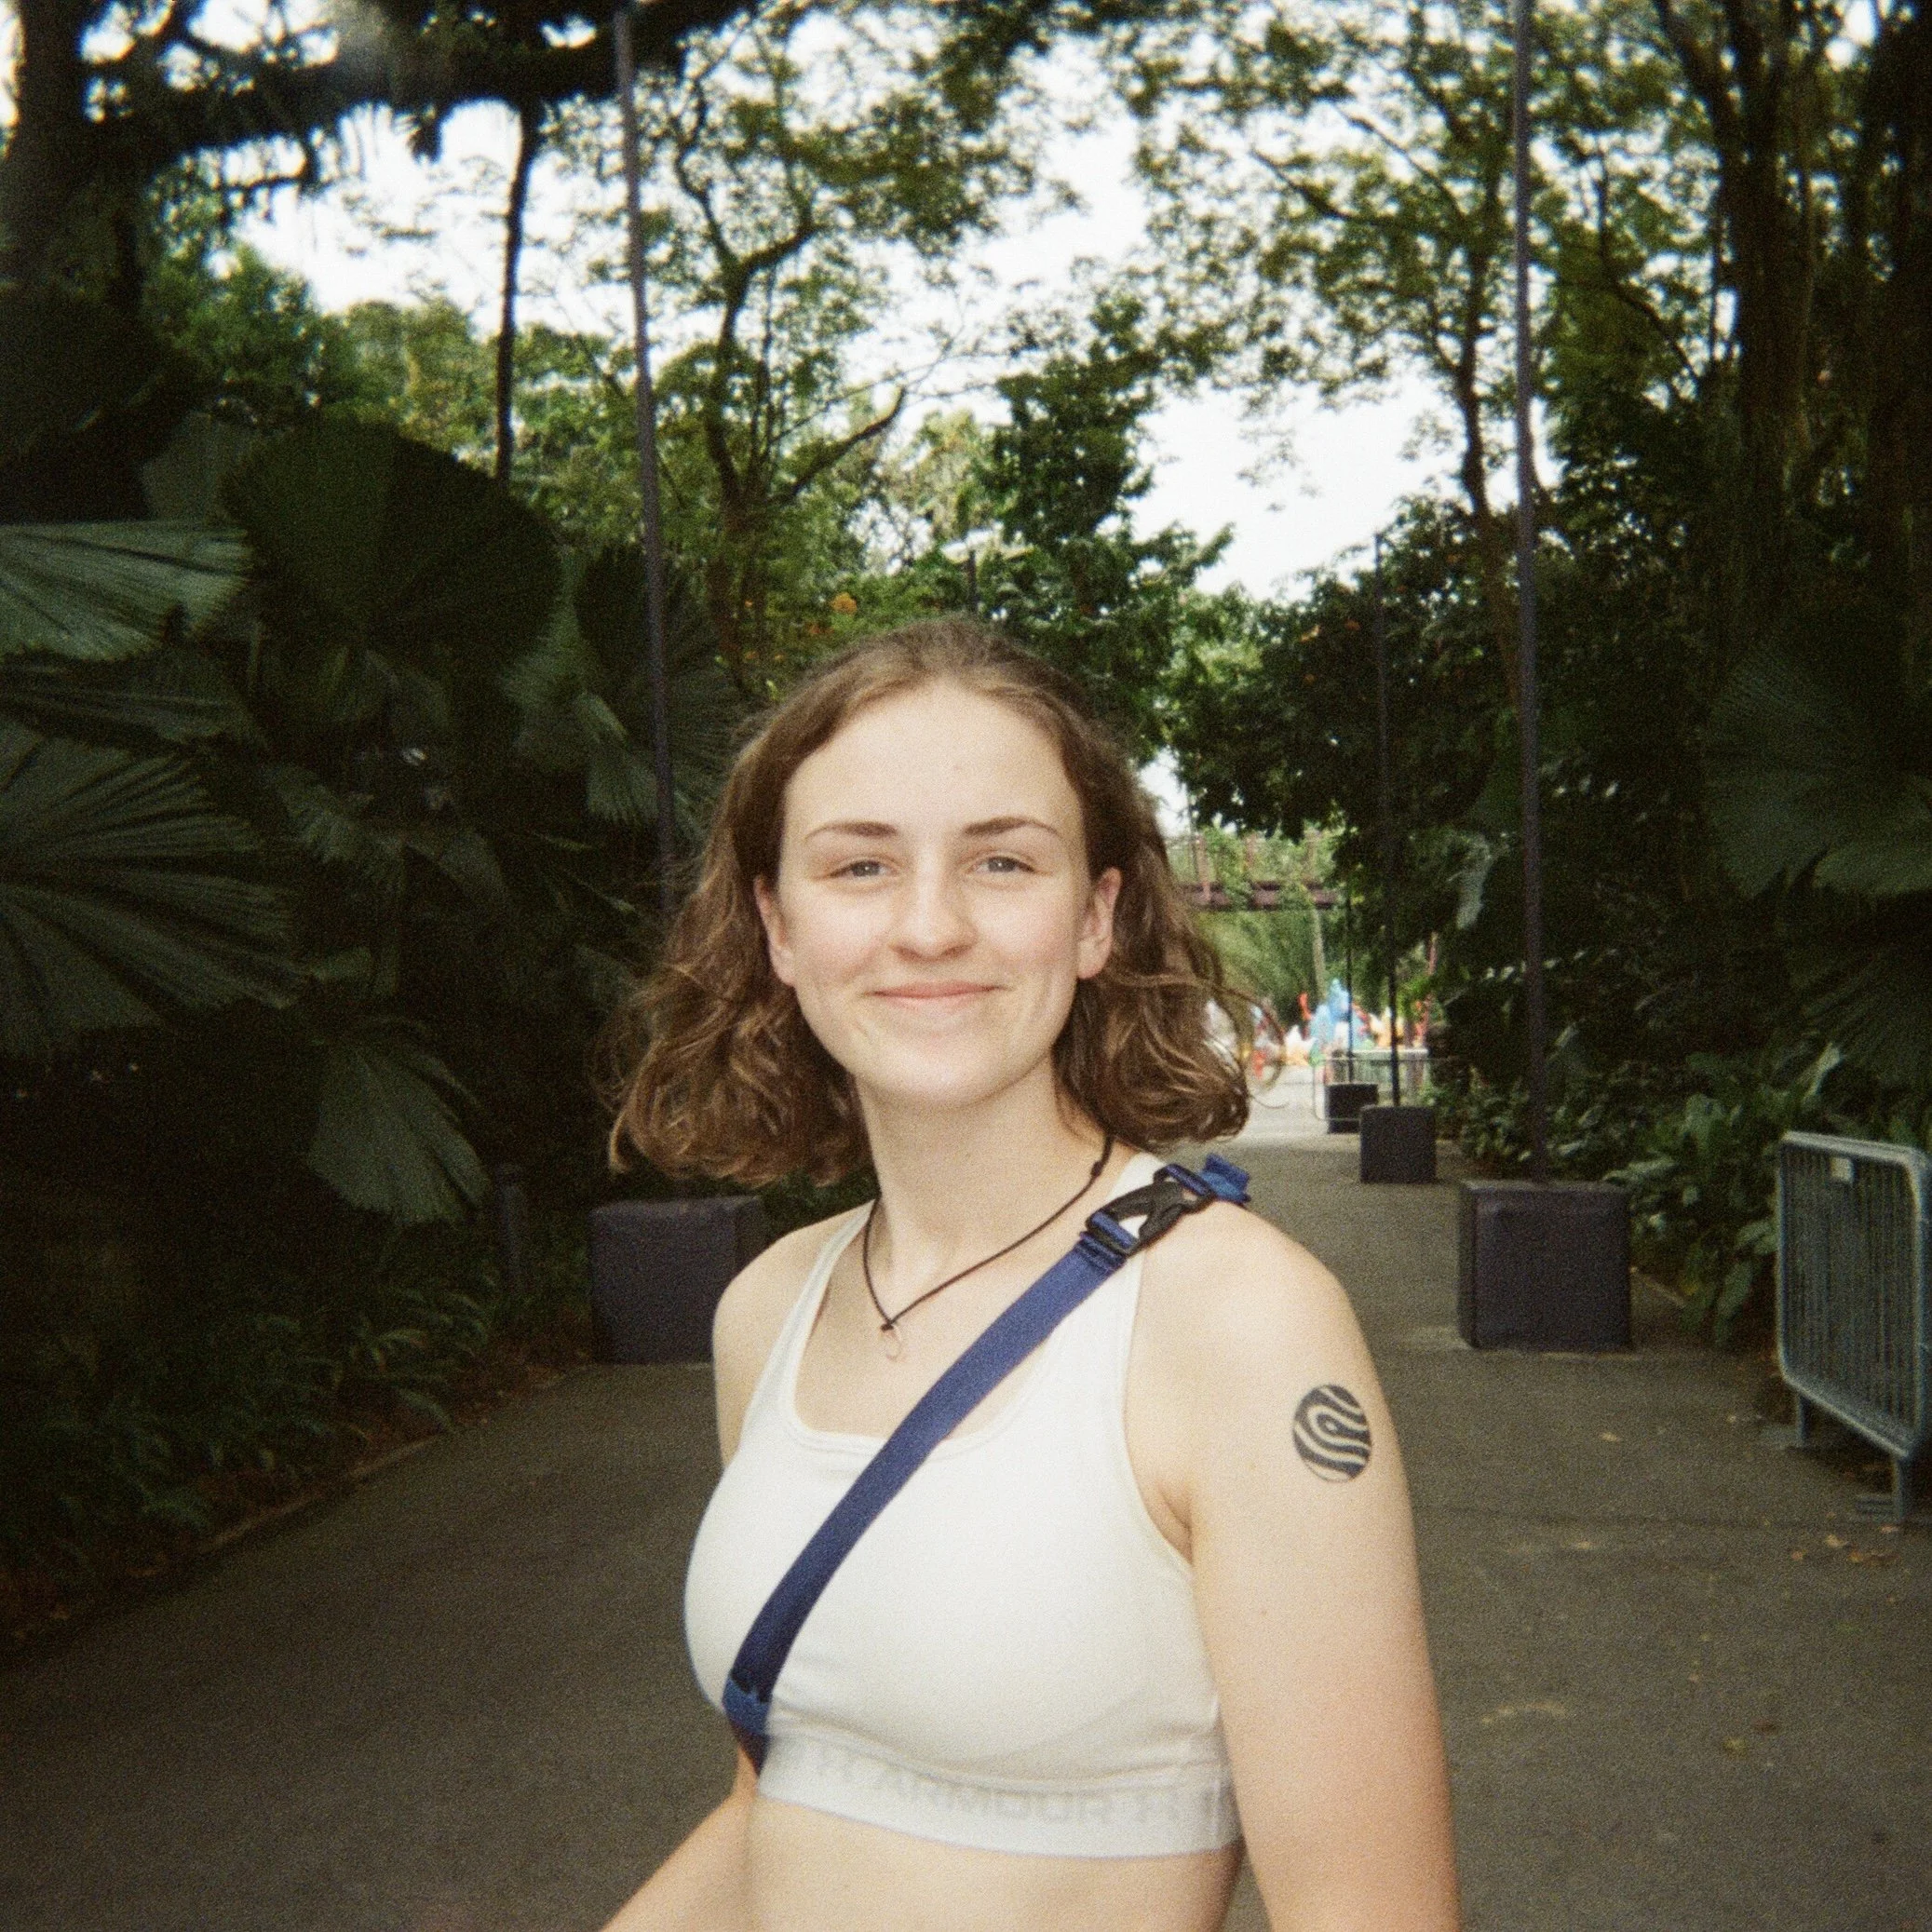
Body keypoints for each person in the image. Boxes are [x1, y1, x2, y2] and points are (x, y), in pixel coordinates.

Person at [601, 619, 1458, 1932]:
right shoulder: (769, 1307)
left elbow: (1369, 1912)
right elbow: (774, 1805)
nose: (929, 925)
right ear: (777, 923)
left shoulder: (1236, 1322)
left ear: (1096, 915)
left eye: (1001, 860)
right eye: (859, 865)